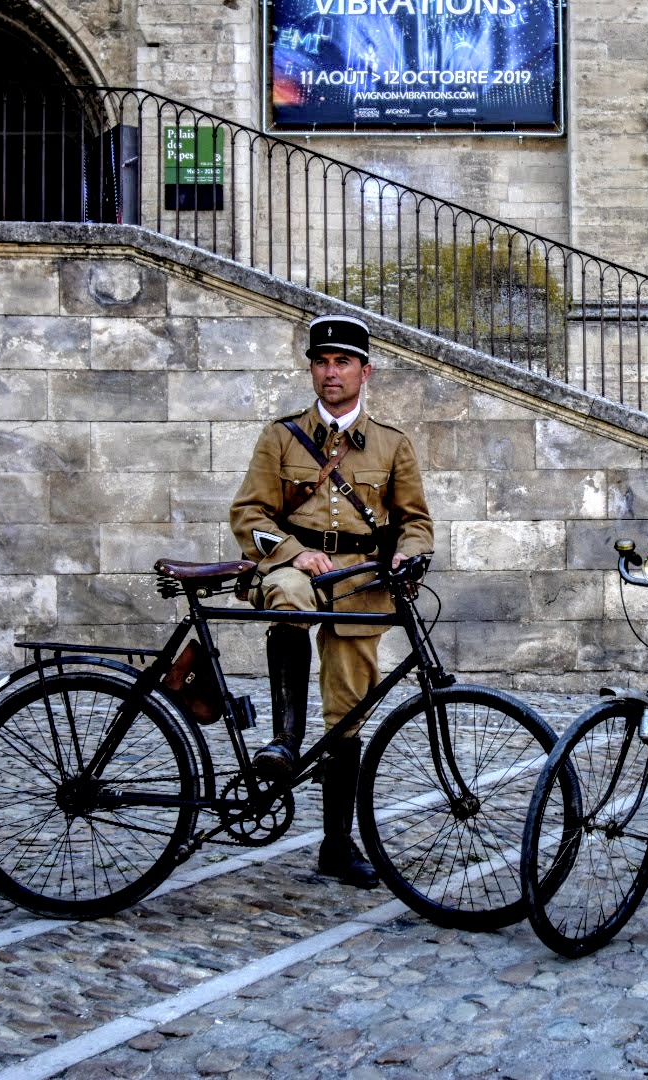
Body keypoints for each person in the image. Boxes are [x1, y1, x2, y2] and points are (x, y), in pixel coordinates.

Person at [229, 313, 434, 889]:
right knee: (289, 599)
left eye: (343, 362)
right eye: (321, 361)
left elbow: (415, 520)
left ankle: (337, 846)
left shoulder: (392, 444)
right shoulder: (280, 436)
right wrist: (292, 552)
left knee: (348, 718)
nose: (330, 373)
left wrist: (406, 555)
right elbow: (250, 513)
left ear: (365, 372)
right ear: (311, 369)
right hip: (295, 568)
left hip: (360, 580)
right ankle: (286, 740)